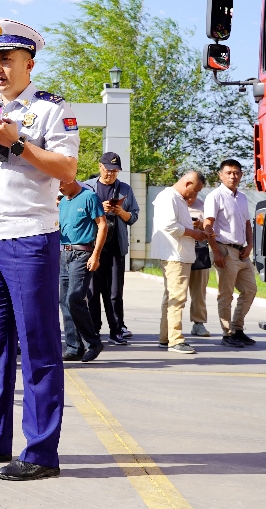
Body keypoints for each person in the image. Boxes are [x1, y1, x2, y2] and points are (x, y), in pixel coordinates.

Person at [0, 19, 79, 481]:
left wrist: (18, 143)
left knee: (39, 346)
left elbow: (66, 167)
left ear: (29, 63)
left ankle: (41, 451)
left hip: (30, 238)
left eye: (6, 59)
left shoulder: (51, 111)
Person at [84, 152, 139, 344]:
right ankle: (94, 331)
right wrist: (100, 210)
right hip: (92, 248)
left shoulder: (125, 189)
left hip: (116, 247)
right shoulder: (87, 188)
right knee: (92, 292)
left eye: (115, 171)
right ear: (100, 167)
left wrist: (120, 212)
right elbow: (81, 216)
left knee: (115, 293)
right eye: (108, 170)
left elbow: (133, 217)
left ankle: (116, 331)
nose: (111, 174)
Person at [151, 171, 208, 355]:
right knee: (177, 299)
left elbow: (176, 224)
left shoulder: (177, 198)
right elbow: (169, 225)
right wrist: (194, 233)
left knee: (171, 297)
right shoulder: (169, 197)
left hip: (178, 254)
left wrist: (194, 227)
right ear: (188, 182)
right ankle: (175, 340)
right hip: (174, 255)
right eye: (195, 190)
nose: (195, 195)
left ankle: (166, 337)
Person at [203, 159, 258, 348]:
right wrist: (215, 251)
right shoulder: (215, 196)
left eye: (236, 173)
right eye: (228, 172)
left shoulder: (242, 197)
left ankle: (238, 329)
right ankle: (227, 334)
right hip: (224, 249)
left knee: (250, 290)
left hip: (242, 251)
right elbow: (207, 224)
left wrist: (250, 245)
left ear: (241, 175)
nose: (232, 176)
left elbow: (248, 224)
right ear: (220, 175)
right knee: (226, 294)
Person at [57, 178, 108, 363]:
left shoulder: (89, 197)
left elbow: (102, 225)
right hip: (63, 254)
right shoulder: (63, 201)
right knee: (64, 301)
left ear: (70, 179)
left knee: (75, 297)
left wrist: (95, 255)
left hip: (82, 254)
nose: (59, 188)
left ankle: (93, 342)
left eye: (61, 184)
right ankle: (74, 347)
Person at [186, 192, 211, 339]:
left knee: (199, 291)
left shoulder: (204, 206)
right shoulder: (175, 204)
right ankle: (171, 325)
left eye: (194, 194)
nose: (190, 198)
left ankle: (199, 323)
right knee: (175, 291)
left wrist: (200, 225)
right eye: (188, 195)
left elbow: (212, 230)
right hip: (179, 251)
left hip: (199, 251)